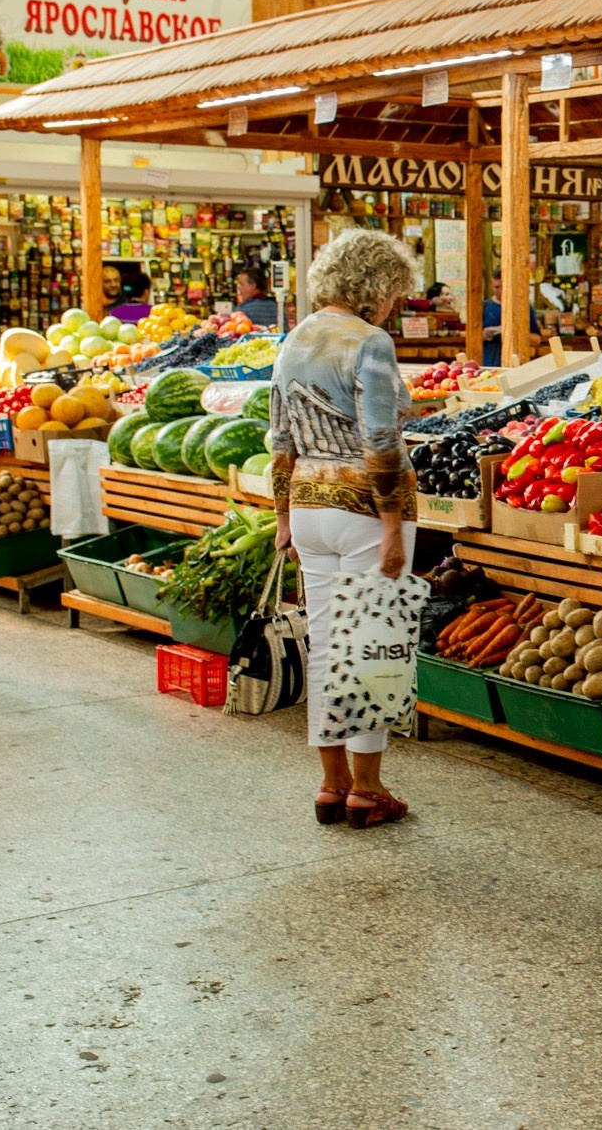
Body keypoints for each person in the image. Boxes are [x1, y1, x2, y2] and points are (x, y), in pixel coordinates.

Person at [267, 229, 420, 830]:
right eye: (395, 293)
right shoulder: (370, 341)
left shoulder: (293, 339)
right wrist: (391, 527)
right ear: (376, 287)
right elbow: (379, 441)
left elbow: (279, 440)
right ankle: (368, 790)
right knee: (373, 648)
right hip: (364, 510)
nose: (395, 306)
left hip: (307, 507)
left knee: (329, 646)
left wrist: (282, 516)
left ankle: (331, 785)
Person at [482, 275, 502, 368]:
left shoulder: (523, 307)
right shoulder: (484, 306)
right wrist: (484, 335)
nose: (500, 290)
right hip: (488, 362)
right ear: (491, 286)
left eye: (503, 286)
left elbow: (536, 339)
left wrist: (505, 330)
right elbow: (471, 336)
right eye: (497, 287)